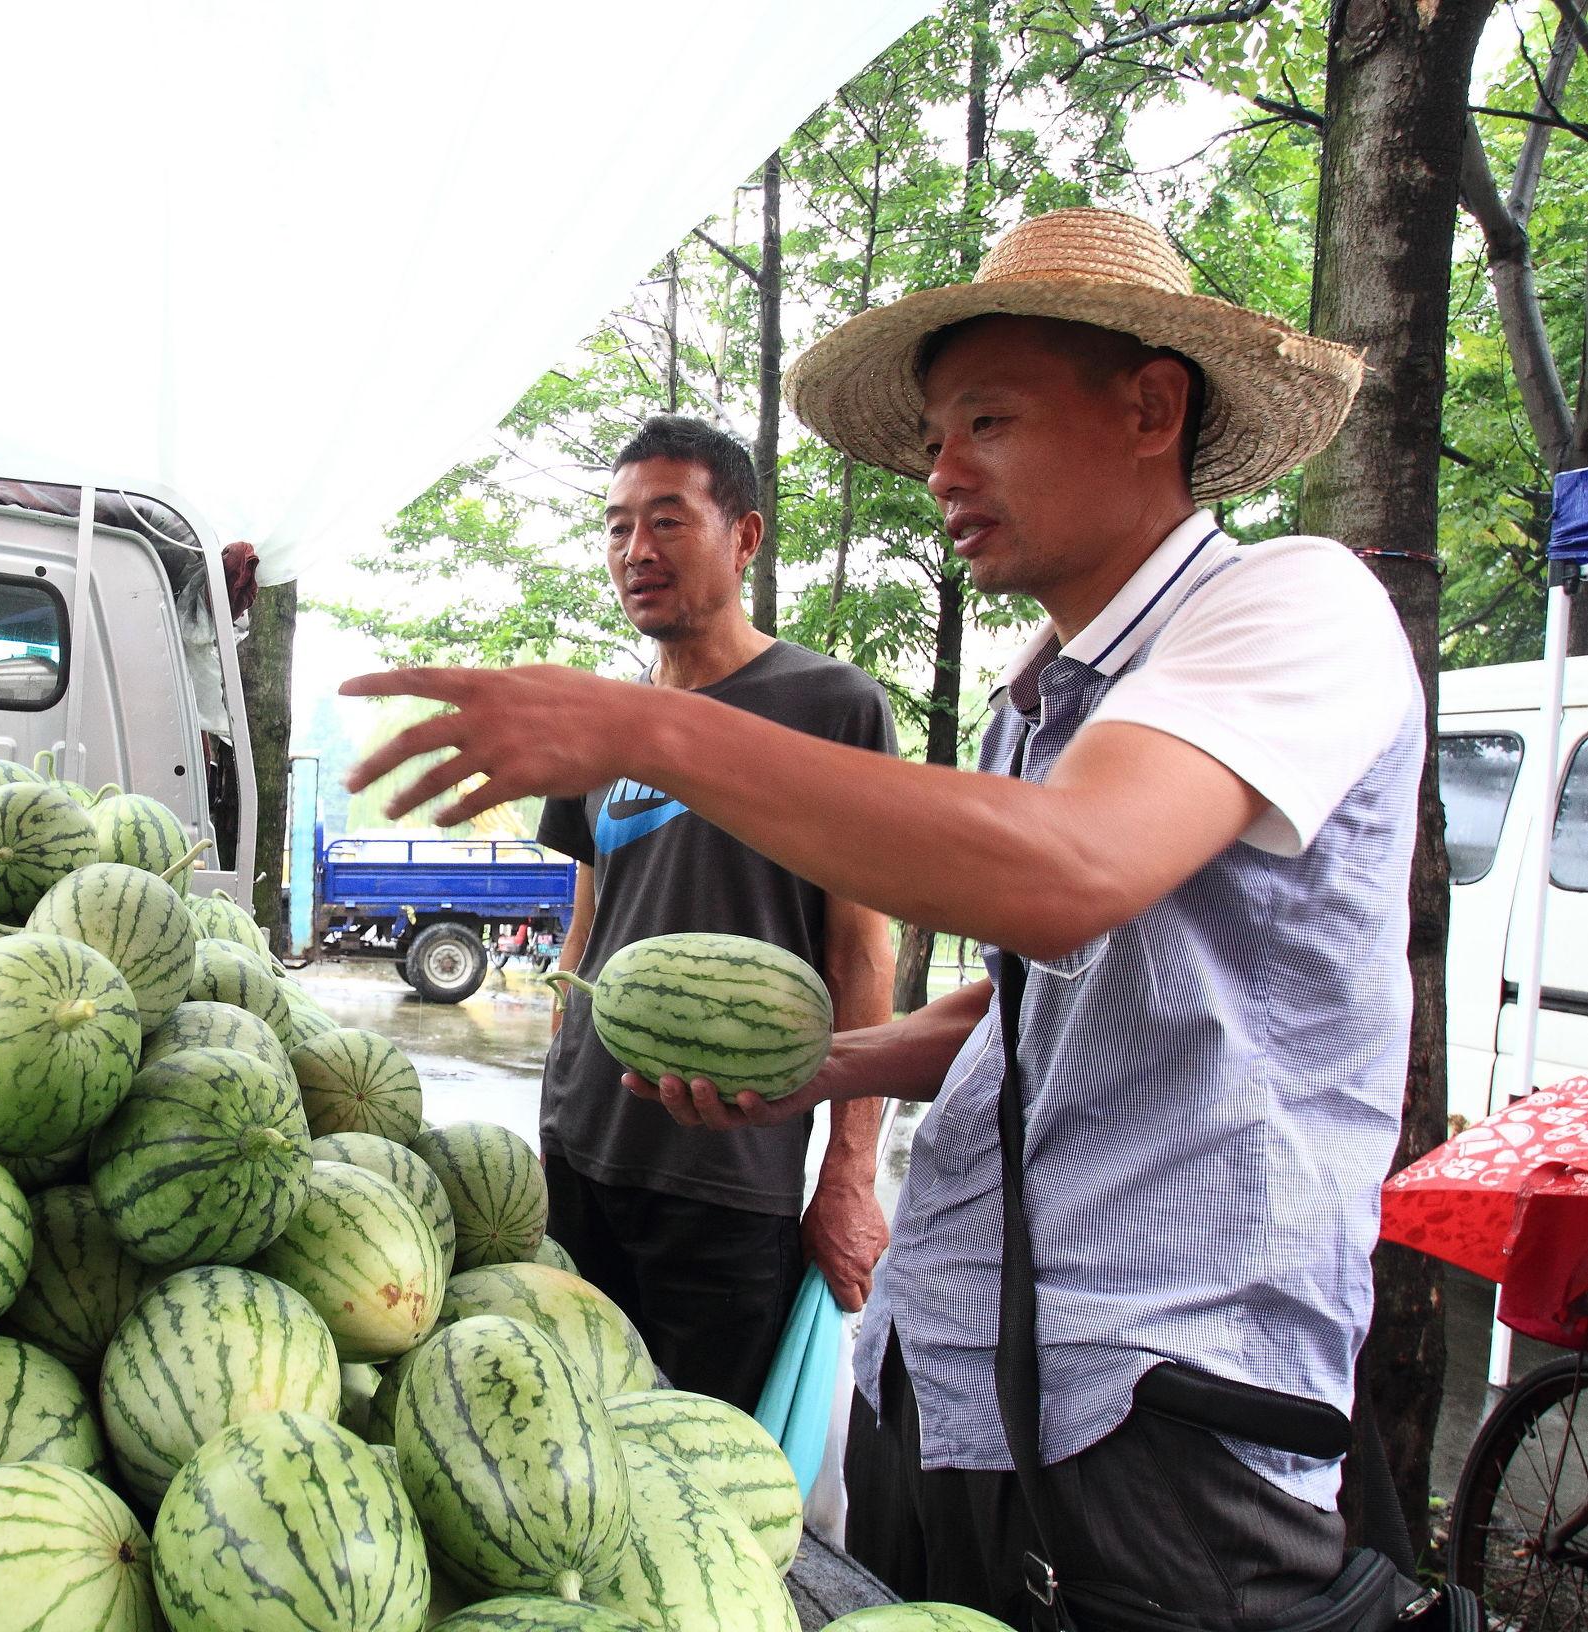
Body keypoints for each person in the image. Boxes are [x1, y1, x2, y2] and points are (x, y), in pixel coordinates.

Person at [339, 208, 1413, 1624]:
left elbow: (1063, 872)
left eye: (986, 420)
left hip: (1159, 1405)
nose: (942, 470)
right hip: (957, 1376)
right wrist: (827, 1065)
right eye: (931, 438)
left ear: (1151, 404)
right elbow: (1051, 992)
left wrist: (646, 729)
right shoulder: (1049, 694)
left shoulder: (1292, 607)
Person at [535, 414, 896, 1413]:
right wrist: (554, 1097)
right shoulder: (604, 723)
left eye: (665, 521)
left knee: (707, 1474)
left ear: (744, 537)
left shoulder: (829, 704)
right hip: (581, 1153)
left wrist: (850, 1173)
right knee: (576, 1446)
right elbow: (588, 922)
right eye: (615, 528)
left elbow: (862, 948)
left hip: (728, 1173)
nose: (634, 551)